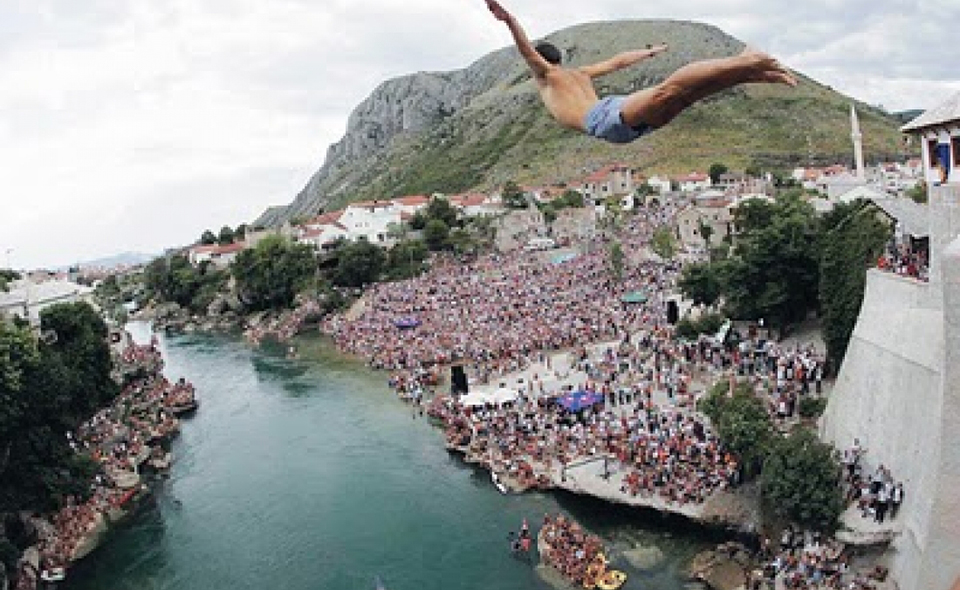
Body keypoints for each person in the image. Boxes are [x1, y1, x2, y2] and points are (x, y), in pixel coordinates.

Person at [484, 0, 797, 144]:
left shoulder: (547, 76)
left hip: (603, 120)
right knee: (685, 96)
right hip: (614, 124)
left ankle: (745, 62)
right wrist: (649, 52)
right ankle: (750, 72)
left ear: (541, 61)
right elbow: (619, 61)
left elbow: (525, 49)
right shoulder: (578, 73)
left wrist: (508, 18)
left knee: (669, 90)